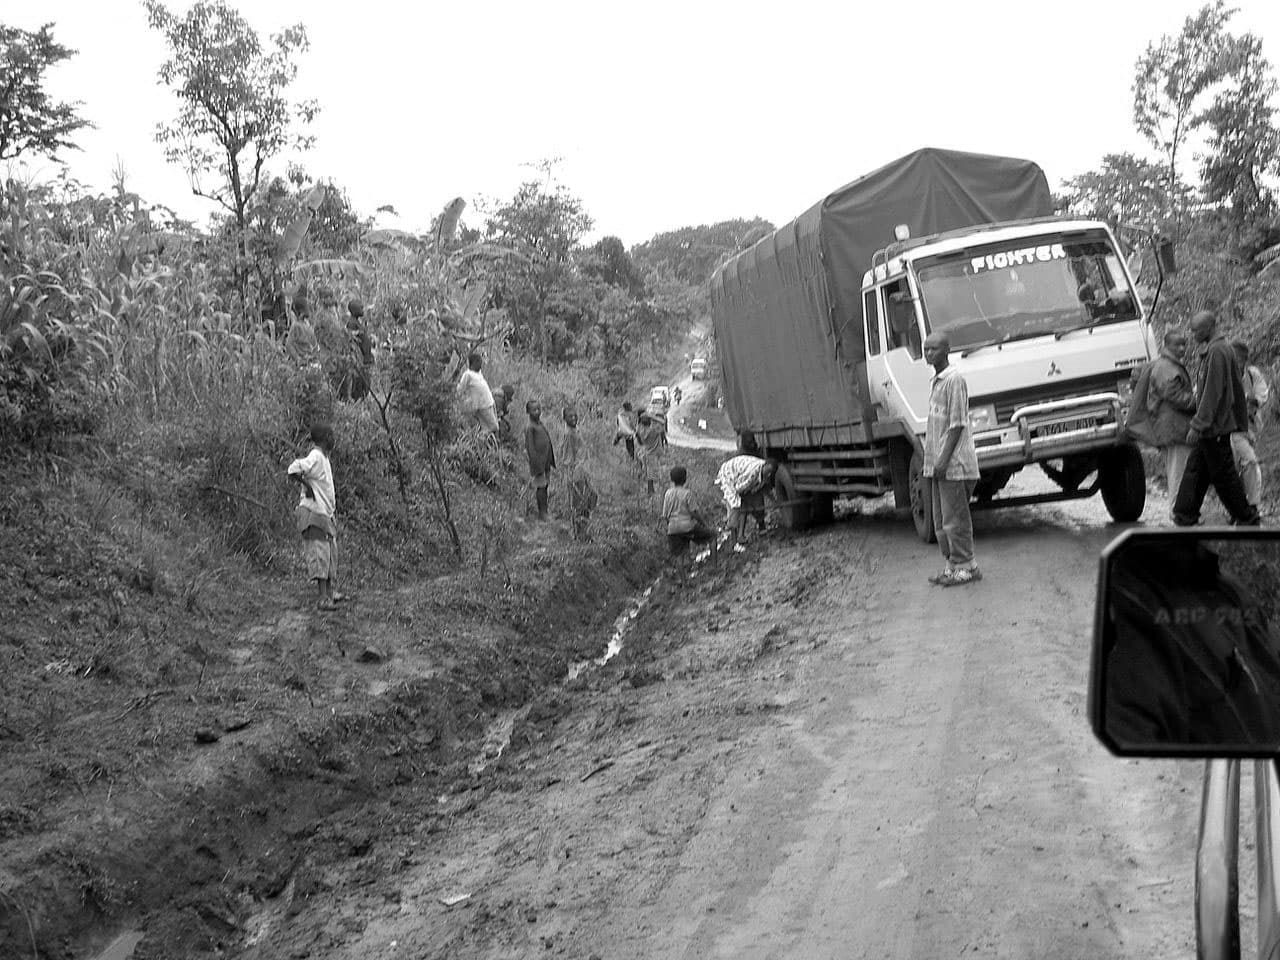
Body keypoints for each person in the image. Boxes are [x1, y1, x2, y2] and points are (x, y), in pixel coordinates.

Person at [1173, 311, 1261, 527]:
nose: (1192, 335)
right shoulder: (1214, 350)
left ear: (1210, 327)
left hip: (1215, 428)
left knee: (1224, 477)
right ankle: (1184, 515)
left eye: (1196, 330)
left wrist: (1198, 425)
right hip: (1211, 429)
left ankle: (1246, 517)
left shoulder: (1218, 352)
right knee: (1196, 470)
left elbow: (1213, 394)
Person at [922, 330, 981, 586]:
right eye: (925, 349)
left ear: (946, 351)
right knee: (941, 522)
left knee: (956, 519)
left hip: (954, 465)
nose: (928, 353)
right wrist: (935, 462)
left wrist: (944, 460)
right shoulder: (936, 381)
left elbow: (957, 425)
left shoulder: (954, 380)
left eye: (933, 349)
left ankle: (968, 567)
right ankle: (951, 566)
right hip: (937, 465)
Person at [1128, 328, 1197, 508]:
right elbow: (1173, 394)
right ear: (1166, 346)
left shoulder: (1167, 365)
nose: (1182, 349)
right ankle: (1177, 513)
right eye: (1178, 345)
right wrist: (1198, 401)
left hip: (1172, 428)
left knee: (1178, 472)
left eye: (1184, 345)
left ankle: (1181, 512)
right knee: (1178, 474)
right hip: (1174, 429)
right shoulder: (1166, 367)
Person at [287, 423, 346, 611]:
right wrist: (308, 487)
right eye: (331, 436)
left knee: (329, 553)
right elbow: (293, 468)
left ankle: (329, 593)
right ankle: (322, 598)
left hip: (324, 514)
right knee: (320, 553)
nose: (333, 440)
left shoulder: (324, 458)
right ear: (325, 438)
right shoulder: (316, 456)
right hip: (314, 514)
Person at [1231, 340, 1269, 513]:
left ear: (1244, 360)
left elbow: (1262, 397)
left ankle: (1243, 506)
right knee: (1248, 463)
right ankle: (1250, 505)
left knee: (1244, 466)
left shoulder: (1252, 374)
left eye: (1238, 359)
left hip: (1250, 427)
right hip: (1231, 429)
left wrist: (1245, 396)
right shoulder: (1221, 373)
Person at [715, 454, 777, 552]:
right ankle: (735, 543)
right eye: (767, 472)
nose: (769, 474)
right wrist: (743, 502)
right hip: (729, 475)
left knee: (754, 501)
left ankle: (749, 533)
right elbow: (738, 488)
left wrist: (775, 502)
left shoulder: (765, 472)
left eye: (771, 473)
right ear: (764, 466)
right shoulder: (752, 473)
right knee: (735, 505)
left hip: (740, 477)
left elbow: (764, 490)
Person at [662, 464, 714, 560]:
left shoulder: (668, 493)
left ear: (671, 480)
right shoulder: (687, 493)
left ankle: (682, 574)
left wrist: (670, 525)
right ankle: (715, 566)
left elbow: (665, 515)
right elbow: (694, 513)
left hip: (672, 529)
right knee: (712, 537)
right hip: (688, 526)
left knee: (679, 556)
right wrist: (704, 524)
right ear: (685, 479)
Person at [524, 399, 556, 521]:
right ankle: (542, 513)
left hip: (545, 461)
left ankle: (545, 511)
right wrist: (536, 465)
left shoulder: (539, 424)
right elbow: (530, 448)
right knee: (541, 487)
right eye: (534, 410)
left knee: (545, 486)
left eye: (539, 409)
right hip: (538, 464)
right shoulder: (530, 427)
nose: (537, 412)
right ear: (528, 412)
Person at [456, 352, 498, 433]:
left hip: (489, 402)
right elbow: (460, 388)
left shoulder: (478, 373)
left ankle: (482, 442)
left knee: (486, 427)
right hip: (482, 405)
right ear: (473, 362)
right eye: (479, 361)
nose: (481, 363)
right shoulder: (468, 374)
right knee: (494, 427)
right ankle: (479, 437)